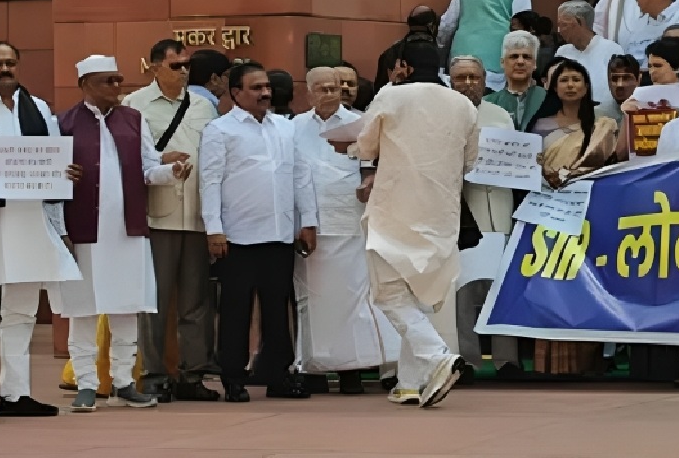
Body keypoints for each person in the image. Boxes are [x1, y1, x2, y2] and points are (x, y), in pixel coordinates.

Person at [56, 55, 190, 412]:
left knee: (127, 306)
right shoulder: (64, 123)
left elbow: (149, 167)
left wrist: (171, 172)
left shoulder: (133, 119)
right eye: (109, 81)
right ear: (85, 85)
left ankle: (125, 382)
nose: (118, 87)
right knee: (83, 308)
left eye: (119, 79)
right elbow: (53, 175)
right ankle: (86, 384)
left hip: (127, 230)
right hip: (83, 231)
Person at [351, 39, 475, 407]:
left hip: (395, 209)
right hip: (440, 213)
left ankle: (439, 358)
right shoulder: (463, 104)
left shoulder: (393, 95)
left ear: (402, 65)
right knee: (417, 296)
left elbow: (366, 146)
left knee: (389, 294)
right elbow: (470, 160)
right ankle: (408, 383)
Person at [0, 42, 80, 424]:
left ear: (19, 67)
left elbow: (52, 161)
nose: (4, 69)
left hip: (30, 220)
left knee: (22, 311)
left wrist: (65, 175)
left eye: (10, 63)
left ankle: (16, 395)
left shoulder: (41, 111)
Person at [201, 61, 317, 403]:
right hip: (236, 236)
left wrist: (307, 222)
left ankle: (277, 375)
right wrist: (213, 230)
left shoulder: (285, 127)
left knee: (277, 310)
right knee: (236, 311)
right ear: (235, 92)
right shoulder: (220, 130)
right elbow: (209, 181)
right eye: (256, 88)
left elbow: (300, 176)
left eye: (266, 86)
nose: (265, 93)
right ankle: (233, 378)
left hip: (280, 234)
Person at [122, 39, 221, 403]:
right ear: (153, 67)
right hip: (157, 213)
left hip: (195, 212)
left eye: (186, 65)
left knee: (196, 302)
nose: (183, 72)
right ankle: (154, 374)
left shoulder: (204, 107)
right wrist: (161, 158)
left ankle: (192, 373)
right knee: (156, 301)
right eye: (175, 65)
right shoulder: (134, 106)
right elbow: (125, 159)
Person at [293, 67, 396, 396]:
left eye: (334, 88)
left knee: (353, 300)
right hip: (310, 225)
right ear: (308, 92)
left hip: (351, 223)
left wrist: (370, 180)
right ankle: (314, 368)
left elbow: (378, 165)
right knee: (312, 300)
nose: (329, 94)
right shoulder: (292, 127)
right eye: (321, 88)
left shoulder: (361, 123)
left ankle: (352, 370)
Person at [525, 60, 618, 373]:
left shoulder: (601, 125)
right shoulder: (540, 126)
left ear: (587, 86)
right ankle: (549, 364)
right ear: (554, 86)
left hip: (587, 216)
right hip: (548, 215)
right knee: (551, 283)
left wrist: (574, 175)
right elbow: (527, 167)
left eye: (577, 79)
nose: (570, 85)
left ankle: (587, 361)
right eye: (564, 80)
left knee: (585, 283)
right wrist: (547, 174)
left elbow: (610, 168)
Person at [448, 56, 520, 378]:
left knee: (503, 288)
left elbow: (519, 159)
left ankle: (507, 360)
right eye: (460, 78)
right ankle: (468, 360)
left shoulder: (501, 115)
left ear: (483, 81)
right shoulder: (443, 116)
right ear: (450, 82)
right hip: (465, 213)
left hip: (501, 209)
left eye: (473, 77)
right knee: (463, 291)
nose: (467, 84)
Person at [440, 0, 532, 91]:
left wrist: (440, 47)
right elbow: (522, 27)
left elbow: (449, 21)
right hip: (495, 59)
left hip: (461, 56)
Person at [555, 0, 622, 108]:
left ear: (580, 22)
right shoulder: (562, 52)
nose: (559, 30)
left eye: (564, 24)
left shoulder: (611, 50)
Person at [482, 31, 546, 131]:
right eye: (514, 56)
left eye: (526, 57)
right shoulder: (488, 103)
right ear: (502, 62)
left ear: (534, 64)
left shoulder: (548, 99)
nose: (520, 62)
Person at [600, 54, 640, 123]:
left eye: (626, 78)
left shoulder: (649, 112)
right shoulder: (598, 115)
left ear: (638, 80)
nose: (620, 85)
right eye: (614, 79)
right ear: (608, 82)